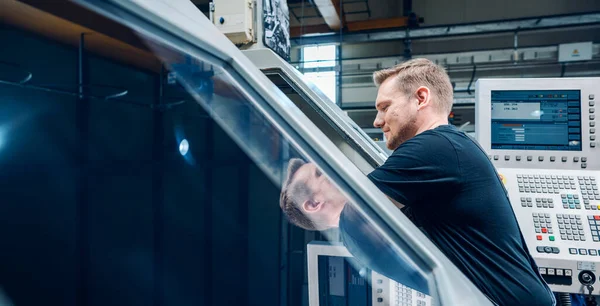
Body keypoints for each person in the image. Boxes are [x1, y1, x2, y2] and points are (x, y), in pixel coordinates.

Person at [279, 58, 555, 305]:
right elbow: (358, 210)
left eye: (385, 107)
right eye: (319, 174)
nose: (377, 120)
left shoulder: (435, 147)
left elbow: (358, 207)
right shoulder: (443, 148)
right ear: (313, 203)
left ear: (421, 98)